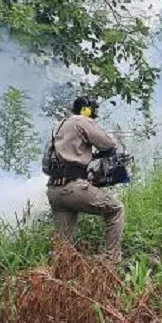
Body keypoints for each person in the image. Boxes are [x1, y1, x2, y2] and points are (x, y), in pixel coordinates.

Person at [45, 96, 125, 260]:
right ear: (85, 109)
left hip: (54, 191)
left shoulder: (57, 127)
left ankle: (61, 275)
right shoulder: (81, 120)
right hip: (73, 188)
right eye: (93, 111)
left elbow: (46, 166)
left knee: (62, 250)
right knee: (116, 209)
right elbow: (109, 144)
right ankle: (111, 260)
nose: (94, 115)